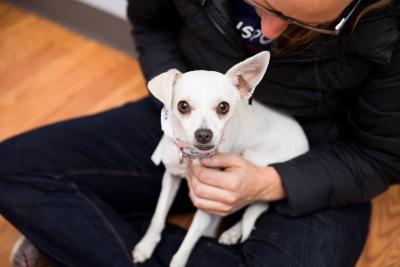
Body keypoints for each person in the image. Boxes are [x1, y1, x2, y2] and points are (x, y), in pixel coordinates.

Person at [2, 0, 399, 266]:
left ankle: (80, 236)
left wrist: (268, 182)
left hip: (316, 153)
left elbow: (381, 155)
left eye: (311, 23)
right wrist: (182, 99)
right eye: (259, 3)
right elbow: (151, 24)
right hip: (184, 117)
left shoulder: (389, 30)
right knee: (12, 169)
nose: (271, 29)